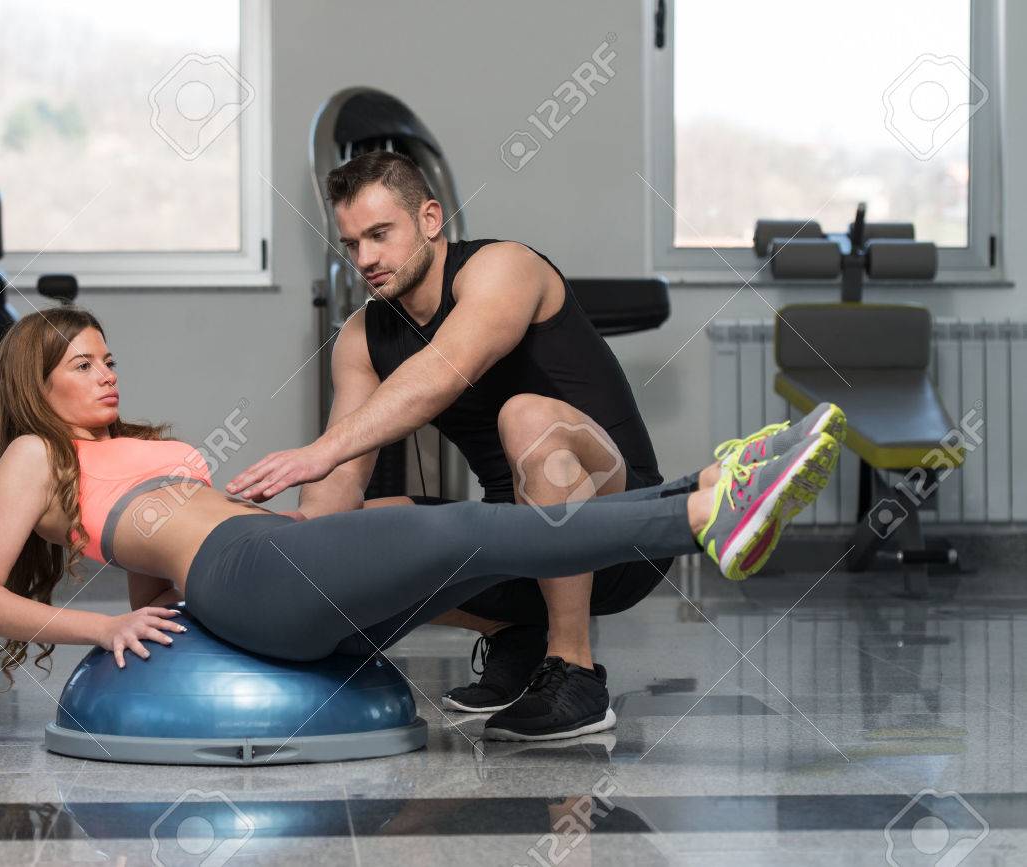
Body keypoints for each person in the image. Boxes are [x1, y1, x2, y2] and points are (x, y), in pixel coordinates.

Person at [0, 307, 843, 744]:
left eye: (110, 357)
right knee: (472, 529)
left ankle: (711, 485)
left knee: (462, 543)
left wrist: (155, 612)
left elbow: (155, 571)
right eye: (83, 363)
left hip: (264, 574)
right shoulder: (36, 456)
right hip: (250, 571)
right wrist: (103, 625)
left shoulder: (138, 444)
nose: (107, 374)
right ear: (39, 382)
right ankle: (703, 507)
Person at [222, 150, 846, 740]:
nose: (365, 257)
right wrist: (258, 558)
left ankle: (574, 672)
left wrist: (320, 448)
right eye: (352, 243)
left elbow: (445, 370)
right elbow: (328, 507)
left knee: (524, 416)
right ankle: (521, 640)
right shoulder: (362, 338)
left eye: (381, 234)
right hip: (511, 548)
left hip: (614, 535)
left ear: (430, 219)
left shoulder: (503, 268)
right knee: (353, 538)